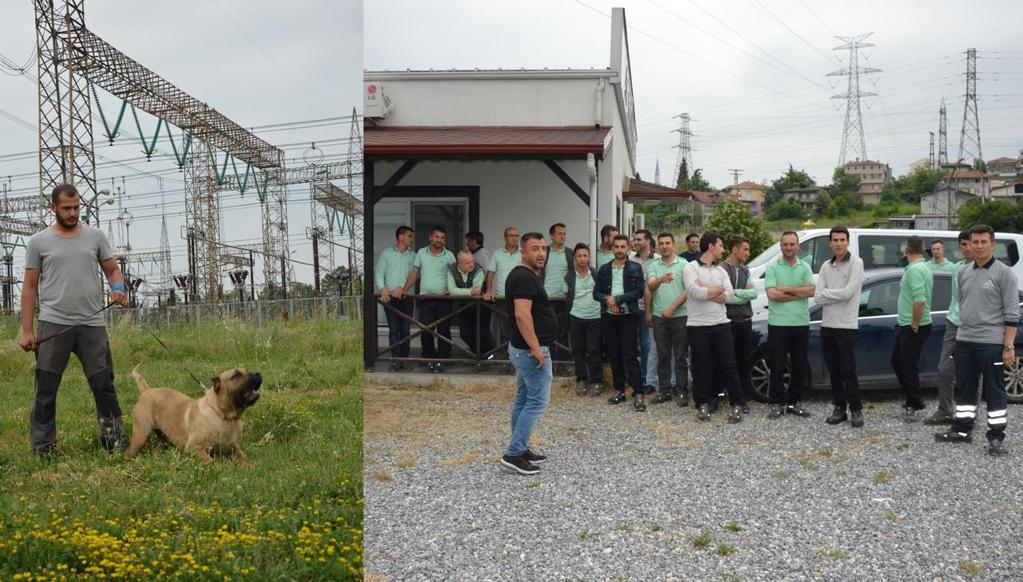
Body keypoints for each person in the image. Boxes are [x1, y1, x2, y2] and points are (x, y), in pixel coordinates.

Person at [19, 183, 130, 457]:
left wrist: (118, 288)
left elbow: (113, 271)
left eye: (76, 208)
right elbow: (30, 287)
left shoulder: (95, 237)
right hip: (54, 324)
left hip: (92, 325)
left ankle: (113, 441)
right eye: (66, 208)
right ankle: (43, 446)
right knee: (45, 389)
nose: (72, 213)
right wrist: (27, 330)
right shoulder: (38, 242)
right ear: (52, 208)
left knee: (103, 385)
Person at [935, 225, 1019, 456]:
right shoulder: (963, 271)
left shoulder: (1004, 274)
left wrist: (1008, 346)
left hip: (991, 343)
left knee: (994, 390)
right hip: (964, 340)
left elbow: (1012, 313)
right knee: (965, 389)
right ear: (969, 244)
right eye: (976, 242)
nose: (979, 246)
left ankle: (996, 437)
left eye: (984, 242)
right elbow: (962, 304)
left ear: (993, 244)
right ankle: (962, 430)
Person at [500, 232, 556, 475]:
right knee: (536, 401)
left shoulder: (523, 275)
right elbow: (522, 315)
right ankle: (513, 453)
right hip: (530, 352)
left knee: (524, 399)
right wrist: (536, 348)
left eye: (544, 248)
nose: (541, 253)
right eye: (535, 249)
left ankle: (519, 448)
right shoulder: (524, 278)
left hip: (524, 349)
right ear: (523, 252)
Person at [683, 232, 743, 423]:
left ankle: (736, 404)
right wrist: (718, 290)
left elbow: (731, 295)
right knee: (700, 366)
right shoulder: (690, 267)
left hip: (721, 324)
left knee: (728, 364)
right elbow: (694, 291)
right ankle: (701, 403)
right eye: (721, 246)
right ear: (711, 246)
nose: (723, 250)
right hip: (698, 326)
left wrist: (708, 291)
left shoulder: (721, 271)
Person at [814, 227, 865, 428]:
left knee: (848, 370)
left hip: (846, 325)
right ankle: (839, 408)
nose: (838, 243)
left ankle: (856, 409)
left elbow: (848, 293)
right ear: (830, 243)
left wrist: (827, 293)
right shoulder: (826, 266)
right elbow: (817, 296)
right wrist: (830, 293)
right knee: (834, 370)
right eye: (835, 240)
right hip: (828, 324)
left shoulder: (856, 263)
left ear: (848, 242)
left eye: (842, 240)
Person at [925, 230, 974, 425]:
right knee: (944, 369)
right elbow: (955, 297)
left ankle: (971, 415)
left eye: (970, 243)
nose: (968, 248)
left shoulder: (985, 270)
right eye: (964, 244)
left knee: (972, 373)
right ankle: (945, 410)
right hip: (954, 323)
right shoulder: (957, 268)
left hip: (974, 327)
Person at [764, 231, 815, 419]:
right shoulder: (772, 267)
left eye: (792, 244)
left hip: (800, 323)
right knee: (777, 365)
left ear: (798, 246)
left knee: (799, 365)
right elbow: (772, 295)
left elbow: (811, 291)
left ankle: (794, 402)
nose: (788, 247)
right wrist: (798, 292)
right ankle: (776, 403)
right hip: (778, 324)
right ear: (780, 246)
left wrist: (785, 288)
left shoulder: (805, 267)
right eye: (785, 244)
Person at [594, 234, 647, 411]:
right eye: (616, 247)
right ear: (612, 248)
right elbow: (596, 293)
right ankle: (619, 390)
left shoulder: (635, 267)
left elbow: (639, 291)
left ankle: (638, 393)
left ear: (628, 248)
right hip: (609, 317)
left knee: (630, 355)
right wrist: (607, 300)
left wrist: (617, 299)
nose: (619, 250)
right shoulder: (604, 269)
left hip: (628, 316)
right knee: (614, 354)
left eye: (623, 247)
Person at [402, 226, 456, 373]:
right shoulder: (421, 253)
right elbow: (414, 272)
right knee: (426, 329)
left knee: (444, 330)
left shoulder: (449, 255)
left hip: (444, 299)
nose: (440, 240)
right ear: (430, 238)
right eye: (437, 237)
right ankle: (428, 358)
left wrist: (450, 289)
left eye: (442, 238)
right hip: (425, 298)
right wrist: (405, 289)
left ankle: (444, 359)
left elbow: (455, 275)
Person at [891, 235, 934, 422]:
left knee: (908, 364)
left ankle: (914, 400)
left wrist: (914, 322)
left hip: (912, 325)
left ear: (906, 250)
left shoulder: (915, 270)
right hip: (907, 324)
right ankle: (913, 397)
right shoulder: (922, 267)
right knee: (897, 361)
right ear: (922, 249)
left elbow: (920, 300)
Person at [647, 232, 689, 407]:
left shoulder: (684, 265)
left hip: (680, 316)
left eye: (667, 243)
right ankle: (664, 390)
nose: (664, 246)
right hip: (659, 317)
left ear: (673, 245)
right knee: (663, 355)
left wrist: (672, 308)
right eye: (661, 243)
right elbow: (650, 286)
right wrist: (660, 280)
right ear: (657, 246)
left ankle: (681, 390)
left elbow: (688, 290)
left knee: (680, 356)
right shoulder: (654, 265)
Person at [722, 235, 756, 414]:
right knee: (728, 361)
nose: (748, 253)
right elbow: (726, 298)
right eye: (745, 249)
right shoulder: (722, 269)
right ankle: (727, 394)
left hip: (745, 321)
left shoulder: (745, 269)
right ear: (735, 249)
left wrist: (736, 293)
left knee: (744, 361)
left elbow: (754, 294)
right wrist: (740, 295)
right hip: (729, 322)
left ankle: (742, 396)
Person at [564, 243, 603, 396]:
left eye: (585, 255)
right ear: (574, 258)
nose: (582, 259)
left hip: (595, 318)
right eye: (579, 256)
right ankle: (581, 380)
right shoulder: (569, 276)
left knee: (594, 350)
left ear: (589, 257)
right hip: (575, 317)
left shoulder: (596, 274)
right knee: (578, 350)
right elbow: (565, 296)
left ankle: (597, 381)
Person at [376, 226, 416, 371]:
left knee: (405, 330)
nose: (412, 239)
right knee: (394, 329)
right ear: (401, 237)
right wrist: (382, 288)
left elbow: (415, 276)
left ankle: (404, 360)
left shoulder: (414, 255)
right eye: (409, 236)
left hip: (407, 297)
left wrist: (403, 287)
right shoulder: (386, 253)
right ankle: (395, 360)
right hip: (390, 297)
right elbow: (379, 272)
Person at [447, 249, 493, 358]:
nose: (472, 264)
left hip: (482, 306)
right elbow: (452, 291)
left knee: (483, 333)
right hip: (465, 306)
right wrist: (469, 291)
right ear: (459, 263)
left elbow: (476, 292)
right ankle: (481, 354)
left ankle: (489, 355)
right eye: (468, 263)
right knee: (465, 333)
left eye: (472, 261)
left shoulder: (479, 270)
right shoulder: (451, 270)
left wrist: (460, 291)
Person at [484, 227, 522, 351]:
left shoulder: (524, 253)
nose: (514, 238)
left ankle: (518, 357)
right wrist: (489, 290)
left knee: (521, 328)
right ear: (505, 238)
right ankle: (505, 359)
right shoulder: (497, 254)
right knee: (504, 330)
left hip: (520, 298)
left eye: (516, 235)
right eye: (511, 235)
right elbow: (490, 273)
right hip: (502, 298)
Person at [631, 229, 658, 393]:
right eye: (635, 239)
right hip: (631, 308)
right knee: (632, 344)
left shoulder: (657, 261)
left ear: (648, 241)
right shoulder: (629, 260)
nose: (636, 242)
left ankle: (647, 377)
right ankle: (635, 376)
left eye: (639, 239)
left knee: (648, 344)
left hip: (649, 308)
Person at [543, 223, 573, 360]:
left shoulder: (570, 253)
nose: (563, 236)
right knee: (546, 331)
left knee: (562, 332)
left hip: (563, 299)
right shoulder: (543, 252)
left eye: (564, 233)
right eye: (560, 233)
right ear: (551, 236)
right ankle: (546, 361)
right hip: (546, 299)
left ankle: (562, 362)